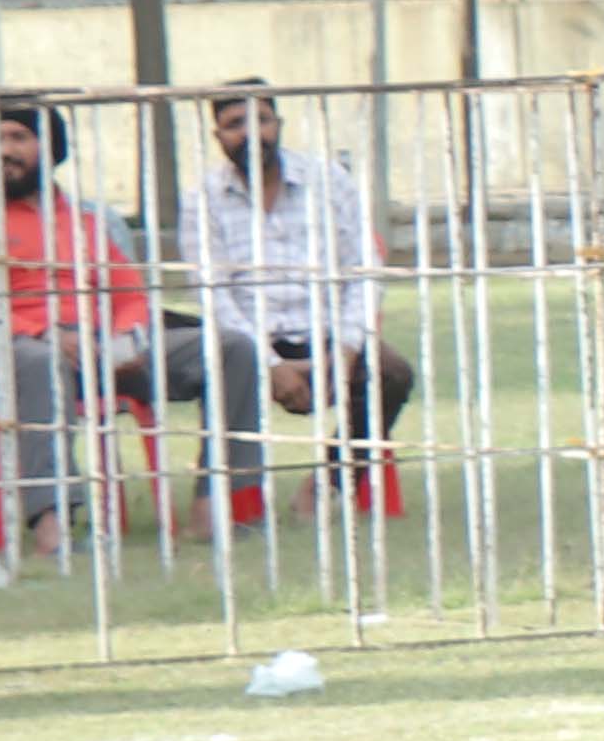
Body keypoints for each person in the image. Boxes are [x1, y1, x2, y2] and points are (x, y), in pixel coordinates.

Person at [159, 83, 415, 508]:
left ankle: (327, 487)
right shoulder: (201, 199)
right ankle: (227, 503)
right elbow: (212, 293)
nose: (250, 133)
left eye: (260, 120)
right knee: (222, 361)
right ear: (217, 136)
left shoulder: (327, 180)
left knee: (392, 374)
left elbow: (364, 270)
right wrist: (271, 364)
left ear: (278, 124)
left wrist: (346, 349)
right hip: (248, 339)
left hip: (326, 332)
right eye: (234, 124)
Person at [0, 102, 154, 561]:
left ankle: (224, 511)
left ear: (51, 148)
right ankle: (51, 527)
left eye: (18, 138)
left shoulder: (93, 219)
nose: (6, 151)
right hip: (10, 348)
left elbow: (131, 296)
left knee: (227, 349)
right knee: (41, 363)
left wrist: (122, 340)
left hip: (96, 346)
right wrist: (47, 334)